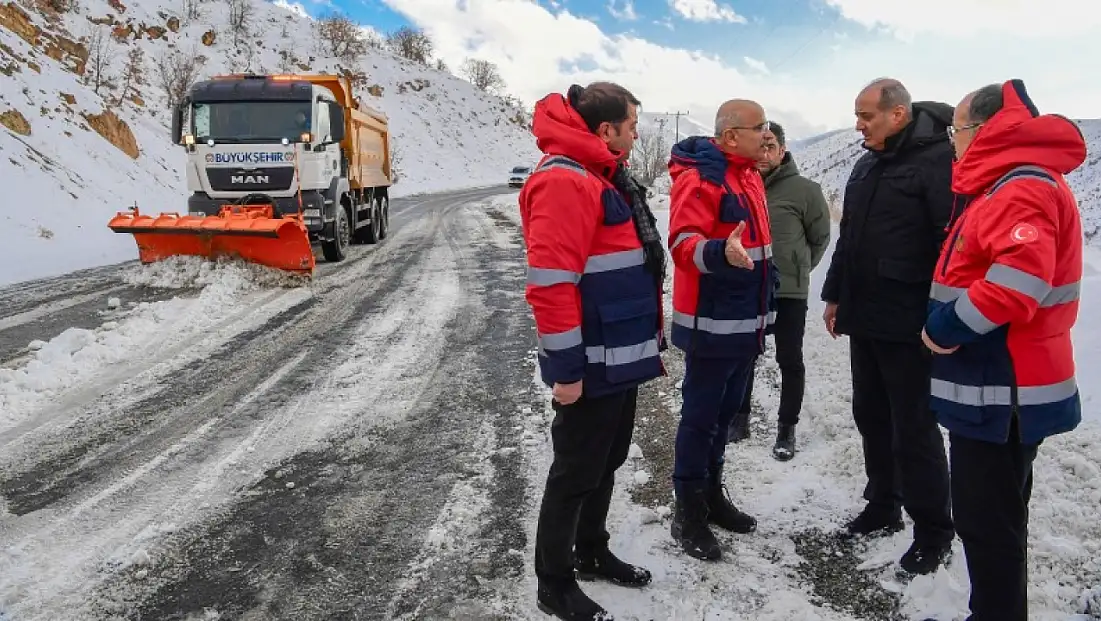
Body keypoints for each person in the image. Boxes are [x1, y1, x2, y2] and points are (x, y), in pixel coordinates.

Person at [923, 79, 1085, 621]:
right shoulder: (1006, 184)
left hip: (1002, 390)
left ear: (987, 129)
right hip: (999, 387)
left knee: (987, 522)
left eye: (958, 129)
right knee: (998, 517)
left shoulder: (1020, 186)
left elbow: (1016, 286)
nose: (953, 141)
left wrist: (943, 327)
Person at [519, 81, 667, 621]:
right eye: (630, 125)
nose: (635, 133)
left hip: (619, 354)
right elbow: (552, 285)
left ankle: (591, 550)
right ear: (605, 130)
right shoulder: (564, 181)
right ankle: (553, 582)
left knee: (608, 460)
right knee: (575, 472)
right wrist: (566, 369)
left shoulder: (603, 175)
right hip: (592, 360)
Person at [819, 77, 956, 574]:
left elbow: (953, 250)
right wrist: (835, 293)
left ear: (897, 114)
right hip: (866, 318)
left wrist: (942, 318)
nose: (859, 125)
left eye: (867, 115)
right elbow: (848, 236)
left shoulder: (939, 163)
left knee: (914, 429)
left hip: (910, 324)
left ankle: (934, 529)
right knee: (871, 416)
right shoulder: (866, 163)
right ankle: (882, 506)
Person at [666, 99, 777, 561]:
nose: (767, 135)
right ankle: (687, 511)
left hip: (744, 325)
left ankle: (712, 495)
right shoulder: (702, 178)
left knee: (726, 417)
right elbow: (682, 243)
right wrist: (717, 252)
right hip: (713, 326)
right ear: (731, 136)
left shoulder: (748, 174)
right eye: (760, 128)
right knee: (701, 419)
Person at [727, 122, 831, 460]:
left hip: (789, 291)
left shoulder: (806, 190)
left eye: (771, 146)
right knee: (744, 356)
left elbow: (819, 239)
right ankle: (739, 420)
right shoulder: (740, 187)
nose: (764, 153)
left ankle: (787, 430)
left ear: (782, 150)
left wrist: (799, 268)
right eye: (760, 145)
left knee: (789, 359)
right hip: (749, 289)